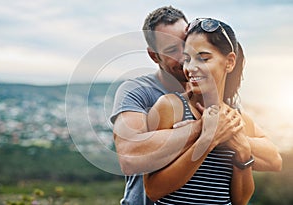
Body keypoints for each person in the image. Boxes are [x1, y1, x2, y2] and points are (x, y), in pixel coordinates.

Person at [110, 6, 282, 205]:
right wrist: (205, 131)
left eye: (187, 45)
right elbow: (130, 158)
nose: (187, 60)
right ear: (154, 56)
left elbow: (268, 164)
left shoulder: (230, 114)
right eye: (174, 50)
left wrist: (241, 145)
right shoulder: (146, 95)